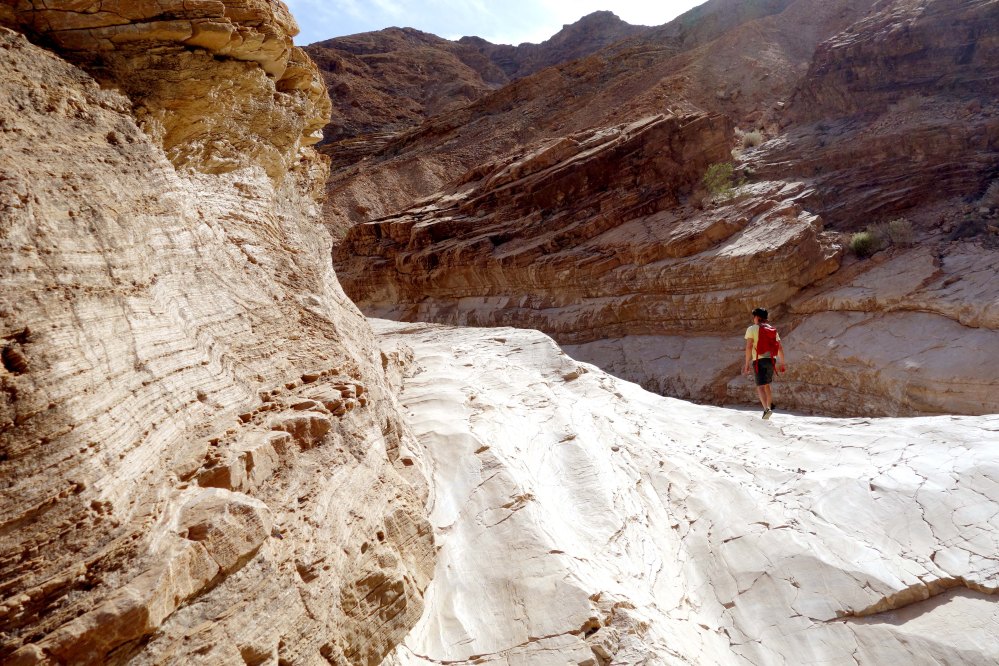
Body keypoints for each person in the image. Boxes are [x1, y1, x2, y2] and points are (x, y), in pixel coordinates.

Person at [743, 307, 786, 419]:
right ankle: (769, 408)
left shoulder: (752, 329)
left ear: (757, 317)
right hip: (771, 360)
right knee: (767, 384)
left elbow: (749, 347)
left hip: (759, 360)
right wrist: (782, 363)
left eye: (754, 317)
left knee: (760, 386)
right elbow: (779, 347)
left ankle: (766, 410)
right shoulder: (772, 329)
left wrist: (747, 363)